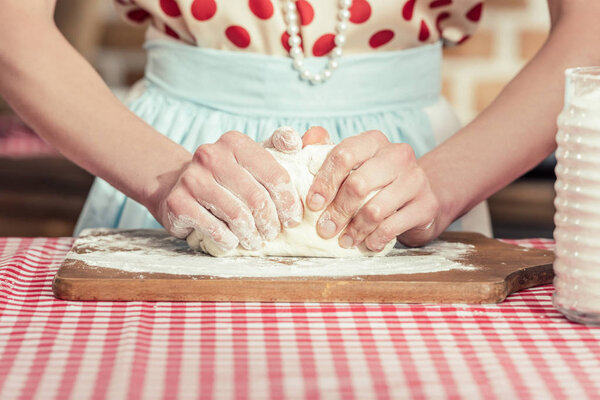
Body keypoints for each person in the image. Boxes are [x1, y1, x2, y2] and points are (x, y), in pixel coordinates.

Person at [0, 1, 594, 254]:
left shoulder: (432, 184)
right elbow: (13, 28)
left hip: (413, 173)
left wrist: (443, 185)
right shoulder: (167, 175)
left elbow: (587, 29)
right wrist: (161, 178)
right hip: (172, 165)